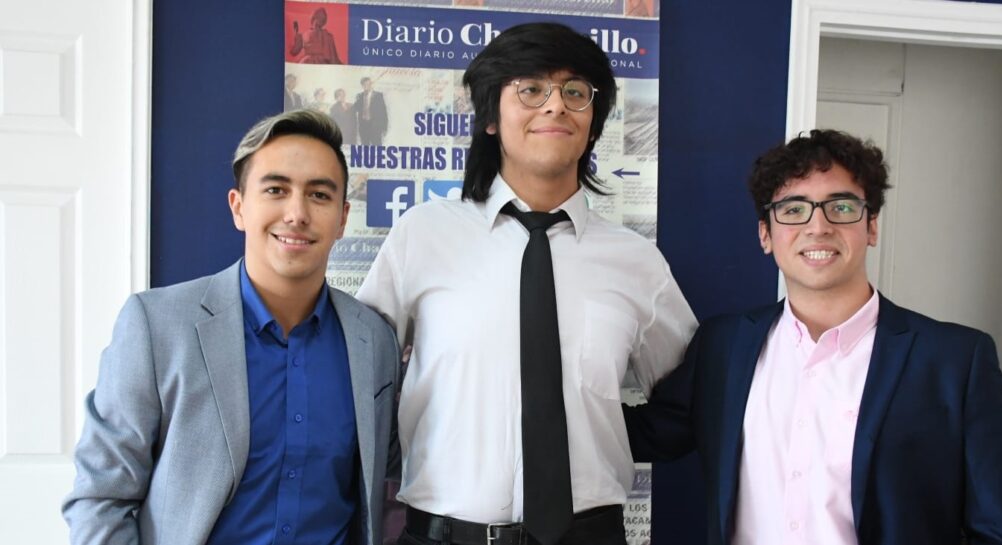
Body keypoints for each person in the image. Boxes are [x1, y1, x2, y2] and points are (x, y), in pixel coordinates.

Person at [357, 22, 697, 545]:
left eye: (575, 92)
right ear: (491, 117)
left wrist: (592, 426)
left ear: (593, 122)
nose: (556, 106)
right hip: (444, 535)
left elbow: (690, 401)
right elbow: (360, 382)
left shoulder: (635, 261)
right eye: (531, 89)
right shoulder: (422, 236)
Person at [625, 129, 1002, 545]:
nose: (818, 226)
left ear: (871, 226)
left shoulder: (956, 362)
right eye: (793, 209)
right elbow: (648, 434)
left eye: (842, 207)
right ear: (766, 234)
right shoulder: (722, 347)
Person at [63, 110, 401, 545]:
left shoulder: (373, 340)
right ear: (239, 207)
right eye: (276, 190)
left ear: (342, 217)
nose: (297, 213)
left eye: (319, 195)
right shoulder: (157, 327)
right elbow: (100, 498)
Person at [354, 77, 388, 146]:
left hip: (375, 126)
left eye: (369, 84)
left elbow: (383, 111)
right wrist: (357, 100)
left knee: (377, 147)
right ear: (362, 86)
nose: (368, 86)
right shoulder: (360, 96)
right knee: (365, 147)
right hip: (363, 126)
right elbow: (356, 108)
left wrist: (384, 127)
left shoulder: (378, 95)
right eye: (365, 84)